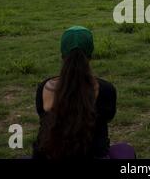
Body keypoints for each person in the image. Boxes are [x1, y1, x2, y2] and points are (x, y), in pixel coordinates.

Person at [33, 26, 135, 159]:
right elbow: (108, 117)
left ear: (62, 54)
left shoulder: (45, 87)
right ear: (90, 54)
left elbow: (42, 115)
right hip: (93, 155)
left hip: (49, 156)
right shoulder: (105, 89)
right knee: (125, 151)